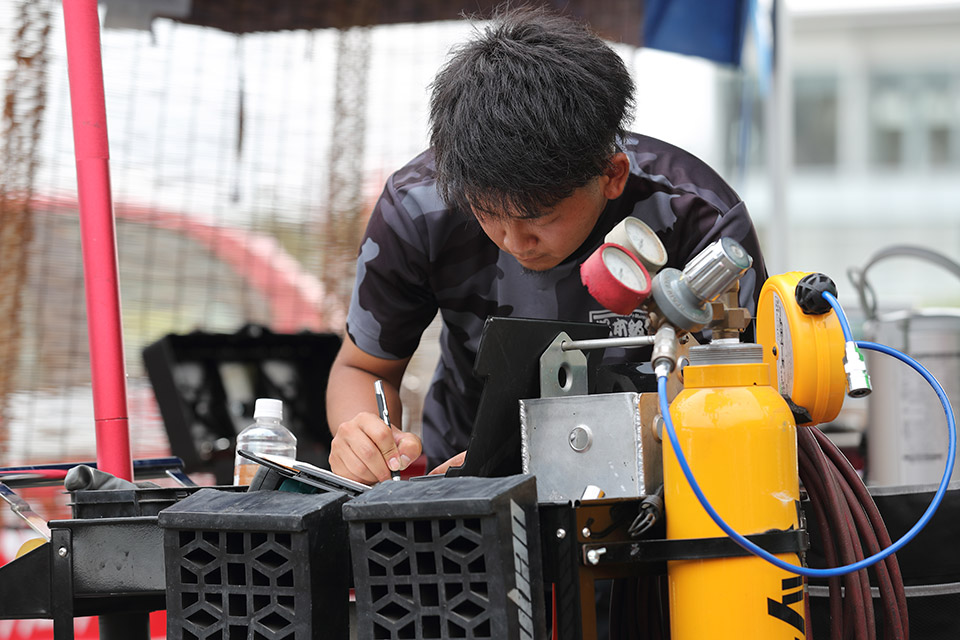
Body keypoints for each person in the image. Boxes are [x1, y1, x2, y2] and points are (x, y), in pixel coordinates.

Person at [325, 6, 767, 485]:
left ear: (612, 175)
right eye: (487, 213)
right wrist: (365, 441)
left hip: (666, 482)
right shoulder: (418, 206)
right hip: (467, 490)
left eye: (540, 217)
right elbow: (362, 367)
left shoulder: (699, 219)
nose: (515, 242)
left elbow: (748, 397)